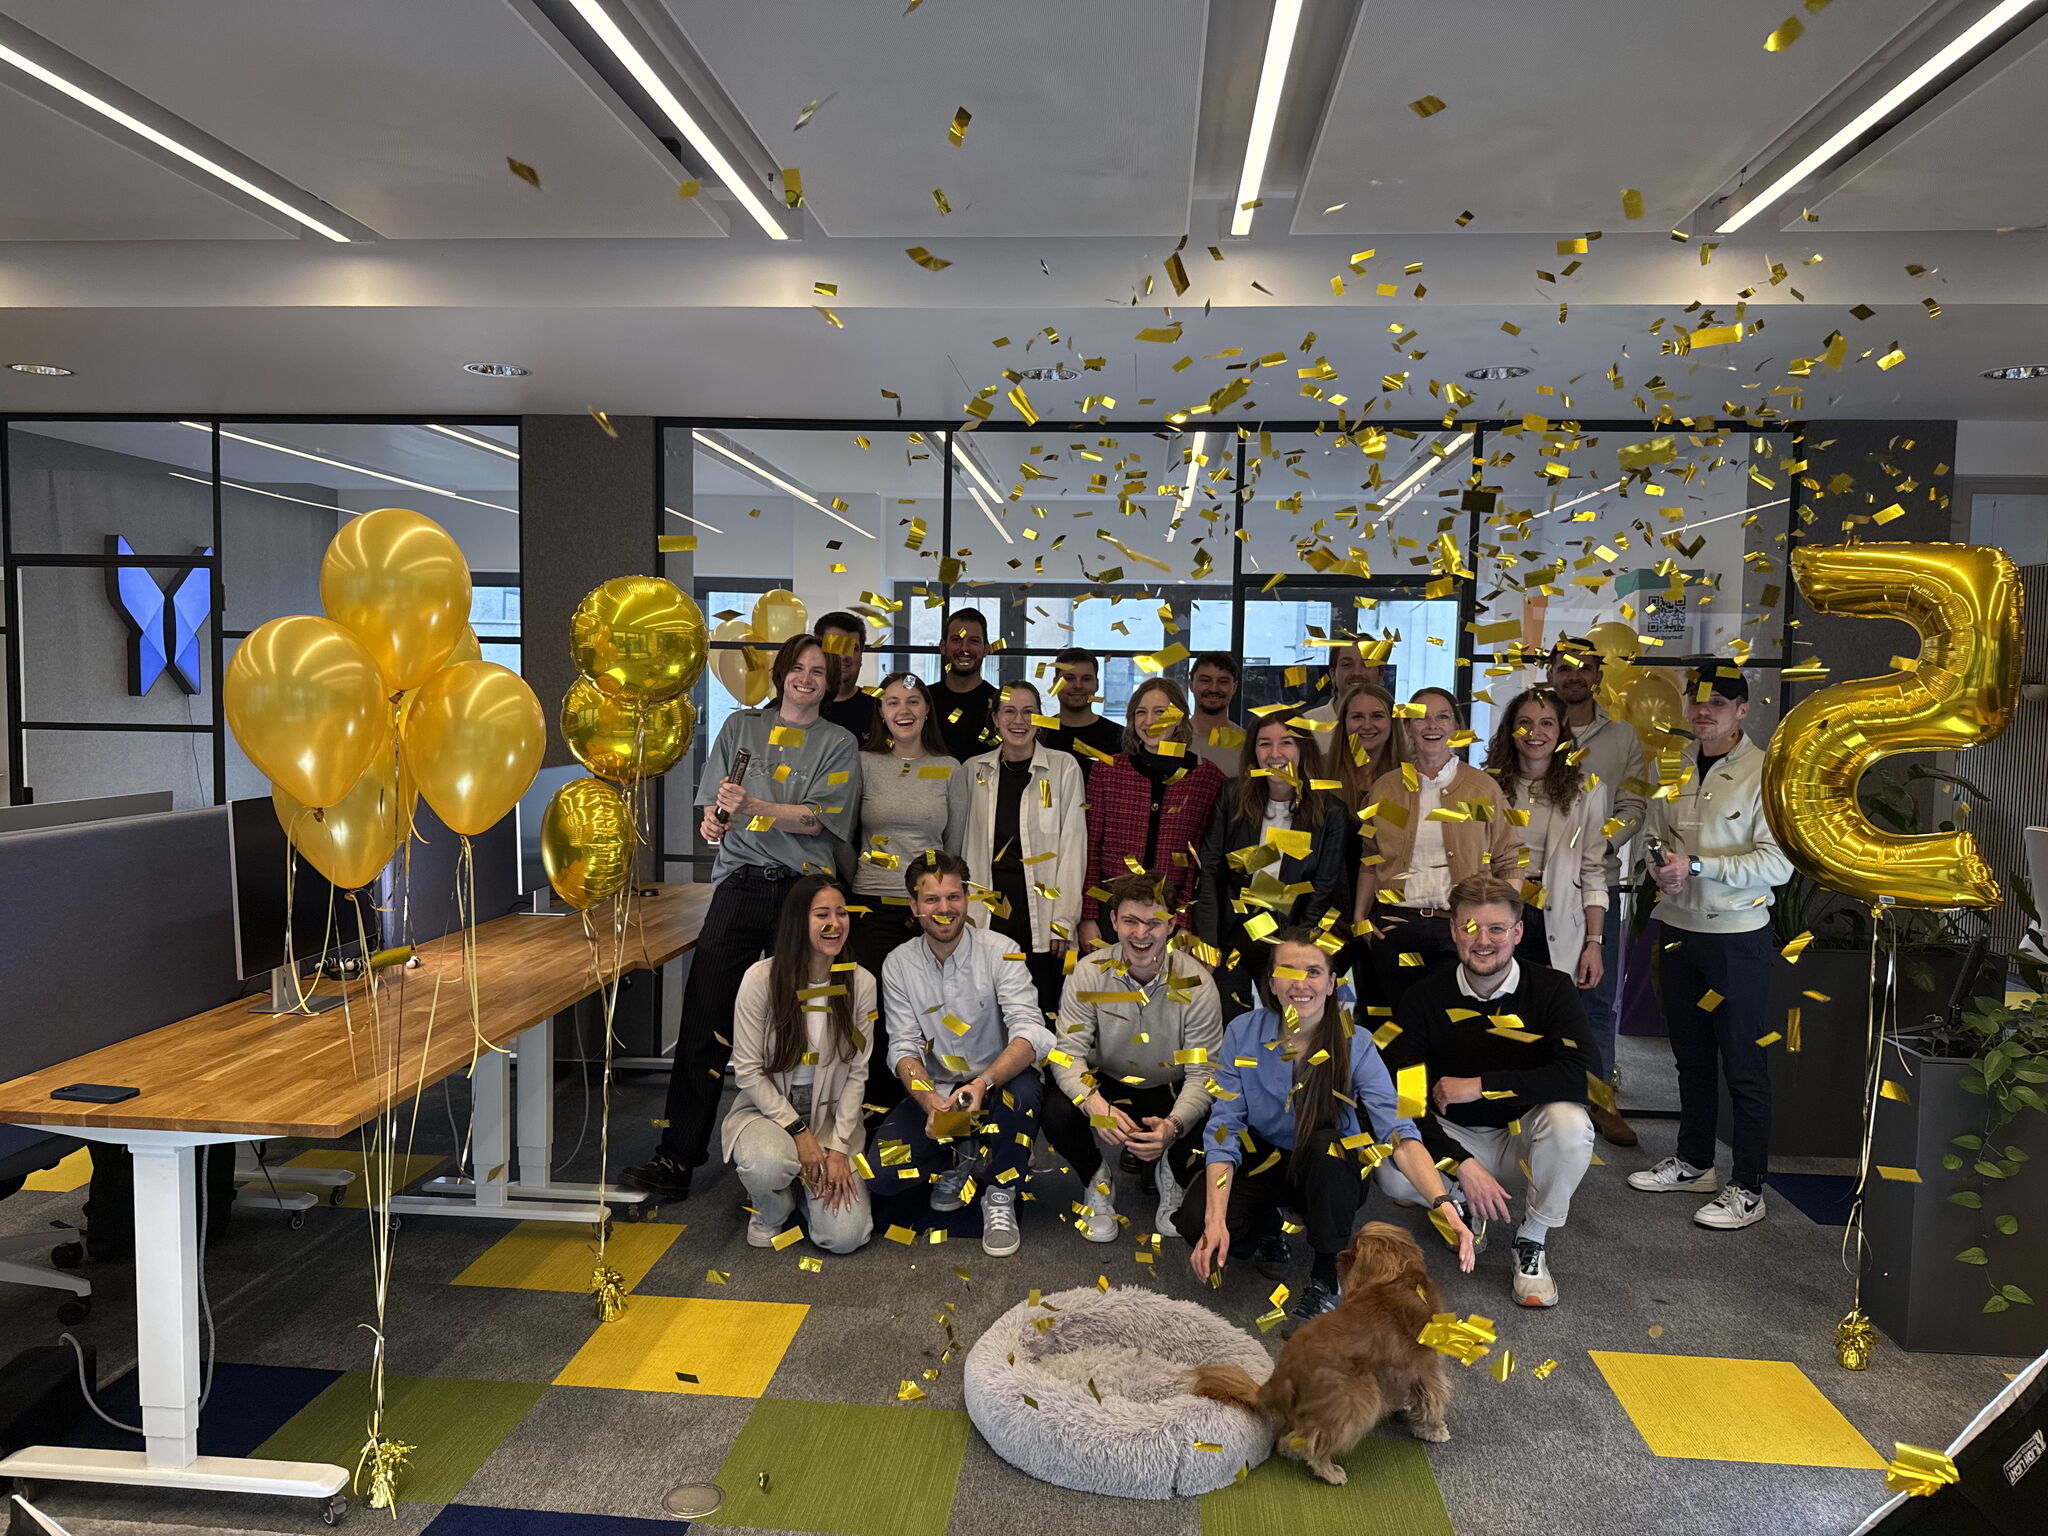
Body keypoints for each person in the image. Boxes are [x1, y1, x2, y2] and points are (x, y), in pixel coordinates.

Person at [626, 634, 859, 1201]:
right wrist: (714, 825)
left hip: (803, 893)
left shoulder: (838, 742)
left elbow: (816, 823)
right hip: (741, 886)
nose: (806, 679)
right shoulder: (739, 729)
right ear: (781, 674)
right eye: (798, 668)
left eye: (819, 672)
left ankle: (811, 1151)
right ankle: (677, 1157)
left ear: (831, 684)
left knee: (803, 1024)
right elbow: (716, 807)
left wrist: (755, 808)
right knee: (705, 1018)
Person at [1177, 929, 1475, 1330]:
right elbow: (1223, 1130)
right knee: (1198, 1220)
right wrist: (1215, 1220)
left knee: (1328, 1145)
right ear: (1271, 982)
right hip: (1265, 1158)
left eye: (1314, 972)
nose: (1301, 984)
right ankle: (1268, 1227)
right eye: (1288, 971)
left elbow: (1399, 1134)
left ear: (1333, 983)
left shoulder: (1359, 1043)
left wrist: (1443, 1203)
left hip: (1326, 1168)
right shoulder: (1242, 1033)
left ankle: (1325, 1274)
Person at [1377, 876, 1596, 1309]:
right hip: (1452, 1135)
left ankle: (1531, 1237)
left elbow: (1582, 1077)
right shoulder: (1422, 997)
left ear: (1517, 933)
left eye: (1497, 928)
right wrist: (1461, 1165)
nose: (1483, 940)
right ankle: (1463, 1203)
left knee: (1571, 1123)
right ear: (1454, 931)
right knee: (1391, 1171)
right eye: (1470, 928)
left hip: (1524, 1139)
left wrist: (1481, 1087)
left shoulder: (1553, 989)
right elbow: (1407, 1104)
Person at [1628, 663, 1792, 1232]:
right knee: (1691, 1055)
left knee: (1744, 1064)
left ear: (1743, 710)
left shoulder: (1765, 771)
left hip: (1736, 938)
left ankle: (1749, 1186)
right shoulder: (1670, 762)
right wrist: (1661, 865)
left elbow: (1778, 863)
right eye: (1697, 701)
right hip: (1676, 929)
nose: (1704, 711)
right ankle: (1696, 1162)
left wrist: (1697, 865)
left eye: (1719, 703)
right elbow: (1654, 831)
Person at [873, 852, 1053, 1257]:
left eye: (953, 897)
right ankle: (960, 1155)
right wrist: (928, 1100)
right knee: (883, 1175)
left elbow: (1031, 1032)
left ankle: (1000, 1193)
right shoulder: (898, 964)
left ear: (967, 898)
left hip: (998, 1082)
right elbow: (902, 1045)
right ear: (914, 906)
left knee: (1021, 1093)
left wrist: (982, 1083)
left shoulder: (1001, 950)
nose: (944, 909)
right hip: (936, 1089)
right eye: (932, 899)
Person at [1046, 872, 1222, 1241]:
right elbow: (1067, 1056)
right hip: (1108, 1083)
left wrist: (1173, 1126)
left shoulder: (1198, 984)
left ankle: (1172, 1170)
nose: (1141, 935)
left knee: (1221, 1106)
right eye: (1130, 921)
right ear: (1113, 921)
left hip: (1171, 1088)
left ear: (1172, 925)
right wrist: (1092, 1103)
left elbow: (1202, 1072)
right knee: (1056, 1107)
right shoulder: (1089, 973)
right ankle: (1096, 1178)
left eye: (1153, 923)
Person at [721, 874, 875, 1253]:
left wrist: (838, 1148)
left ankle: (810, 1188)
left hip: (833, 1119)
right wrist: (800, 1134)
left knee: (845, 1238)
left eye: (842, 913)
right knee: (766, 1164)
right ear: (797, 921)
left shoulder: (861, 983)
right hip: (769, 1112)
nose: (835, 923)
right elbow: (748, 1071)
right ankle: (773, 1207)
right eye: (822, 913)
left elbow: (858, 1073)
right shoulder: (760, 979)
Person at [1352, 687, 1520, 1011]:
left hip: (1459, 928)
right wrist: (1360, 917)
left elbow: (1509, 859)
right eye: (1420, 718)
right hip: (1395, 927)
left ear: (1455, 726)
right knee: (1397, 1027)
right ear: (1407, 727)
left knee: (1456, 1026)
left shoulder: (1482, 788)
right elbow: (1369, 858)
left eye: (1442, 716)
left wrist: (1503, 922)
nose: (1432, 725)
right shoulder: (1385, 788)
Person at [849, 671, 969, 1114]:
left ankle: (932, 1110)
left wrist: (939, 902)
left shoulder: (950, 767)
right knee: (877, 1013)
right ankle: (878, 1112)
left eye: (914, 701)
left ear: (926, 710)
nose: (904, 710)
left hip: (929, 910)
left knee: (930, 1012)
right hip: (872, 905)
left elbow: (953, 846)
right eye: (894, 702)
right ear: (881, 711)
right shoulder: (862, 763)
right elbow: (845, 837)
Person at [1547, 636, 1648, 1146]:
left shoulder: (1623, 737)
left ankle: (1601, 1103)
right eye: (1563, 668)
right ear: (1549, 674)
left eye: (1582, 668)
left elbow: (1634, 807)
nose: (1573, 677)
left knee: (1594, 1001)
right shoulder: (1533, 727)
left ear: (1597, 676)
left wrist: (1594, 844)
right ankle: (1541, 1100)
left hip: (1596, 886)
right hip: (1535, 893)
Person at [1194, 717, 1351, 1019]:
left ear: (1303, 749)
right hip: (1234, 931)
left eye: (1286, 742)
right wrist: (1208, 943)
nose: (1275, 753)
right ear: (1253, 752)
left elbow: (1323, 887)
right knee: (1229, 1019)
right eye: (1265, 743)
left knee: (1289, 1026)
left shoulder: (1331, 811)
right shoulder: (1231, 795)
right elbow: (1211, 870)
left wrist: (1296, 950)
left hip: (1292, 931)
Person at [962, 680, 1087, 1018]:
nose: (1019, 720)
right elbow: (960, 846)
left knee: (1042, 1009)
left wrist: (1063, 920)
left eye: (1029, 711)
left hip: (1043, 912)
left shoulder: (1063, 767)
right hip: (987, 907)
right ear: (995, 718)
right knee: (987, 1008)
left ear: (1041, 718)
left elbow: (1073, 846)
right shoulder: (973, 770)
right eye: (1009, 711)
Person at [1077, 678, 1227, 951]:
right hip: (1110, 908)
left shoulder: (1206, 777)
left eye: (1160, 711)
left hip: (1170, 909)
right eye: (1141, 712)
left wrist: (1184, 919)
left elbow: (1200, 862)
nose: (1149, 720)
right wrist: (1088, 915)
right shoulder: (1108, 770)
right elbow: (1090, 846)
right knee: (1106, 989)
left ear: (1179, 716)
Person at [1482, 686, 1610, 990]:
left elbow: (1593, 872)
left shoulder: (1589, 792)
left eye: (1547, 723)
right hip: (1499, 910)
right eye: (1524, 722)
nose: (1534, 732)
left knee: (1550, 1016)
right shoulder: (1486, 786)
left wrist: (1594, 943)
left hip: (1559, 916)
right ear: (1510, 731)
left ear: (1562, 732)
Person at [933, 607, 1000, 762]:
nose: (964, 649)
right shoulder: (924, 700)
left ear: (986, 649)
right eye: (957, 640)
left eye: (974, 641)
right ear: (943, 646)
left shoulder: (1000, 703)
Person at [1041, 649, 1125, 769]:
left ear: (1097, 684)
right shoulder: (1038, 736)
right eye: (1069, 678)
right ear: (1055, 684)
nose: (1078, 686)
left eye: (1086, 679)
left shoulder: (1121, 738)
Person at [815, 610, 878, 741]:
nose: (844, 656)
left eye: (852, 648)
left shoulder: (879, 710)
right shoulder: (787, 708)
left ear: (861, 656)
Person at [1301, 638, 1384, 724]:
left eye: (1367, 664)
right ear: (1333, 674)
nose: (1357, 672)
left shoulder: (1397, 724)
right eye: (1347, 664)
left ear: (1380, 673)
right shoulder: (1307, 725)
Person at [1189, 652, 1244, 775]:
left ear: (1234, 688)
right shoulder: (1172, 738)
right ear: (1191, 684)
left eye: (1223, 682)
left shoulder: (1246, 744)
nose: (1214, 689)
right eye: (1205, 680)